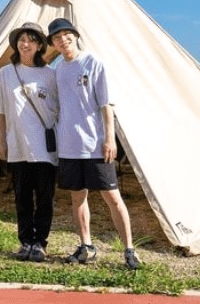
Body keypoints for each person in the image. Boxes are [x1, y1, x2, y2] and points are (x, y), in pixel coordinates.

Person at [47, 17, 140, 270]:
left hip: (95, 144)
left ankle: (129, 249)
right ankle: (86, 245)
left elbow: (105, 105)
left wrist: (109, 138)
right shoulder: (57, 70)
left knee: (112, 197)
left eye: (66, 35)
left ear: (75, 36)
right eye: (57, 38)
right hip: (69, 145)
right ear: (53, 44)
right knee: (78, 198)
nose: (62, 40)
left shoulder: (93, 63)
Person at [0, 21, 59, 263]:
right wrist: (1, 141)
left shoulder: (51, 75)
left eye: (31, 40)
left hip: (45, 149)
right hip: (17, 145)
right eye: (21, 39)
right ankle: (26, 241)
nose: (25, 44)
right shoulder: (6, 73)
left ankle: (40, 243)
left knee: (45, 197)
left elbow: (61, 110)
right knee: (22, 197)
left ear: (40, 45)